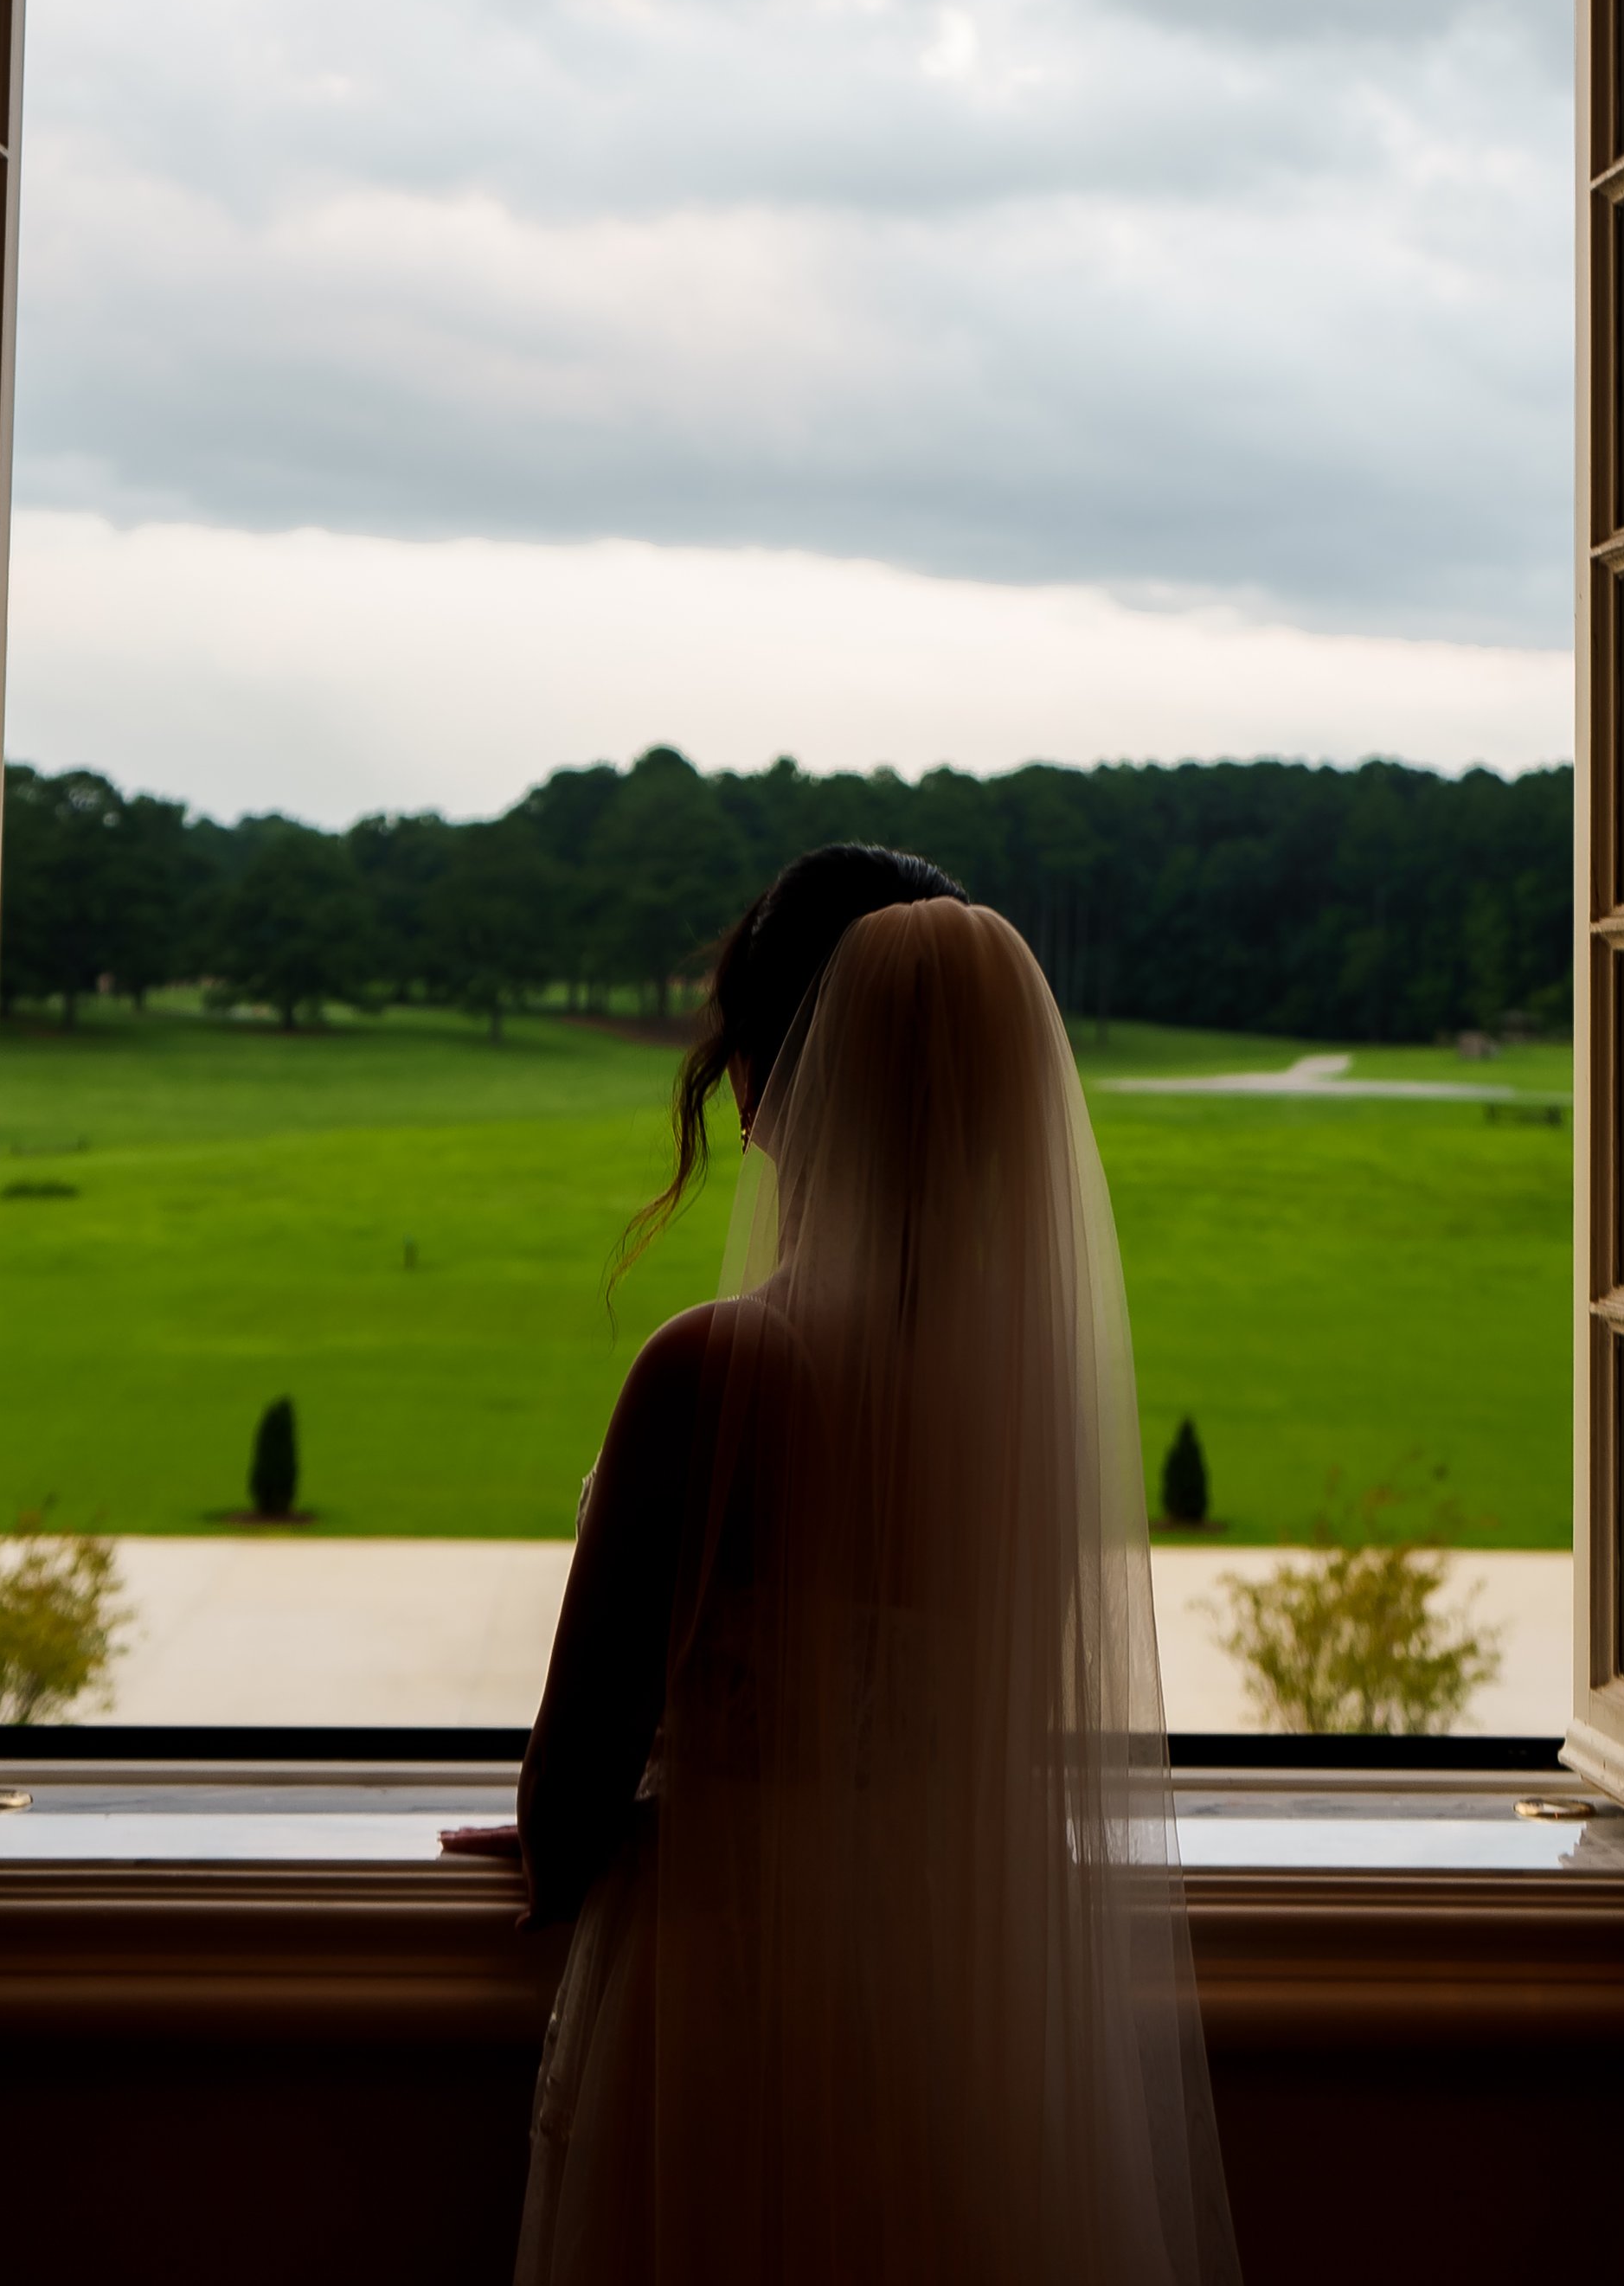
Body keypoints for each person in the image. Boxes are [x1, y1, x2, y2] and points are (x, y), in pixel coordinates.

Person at [451, 845, 1241, 2286]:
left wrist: (581, 1826)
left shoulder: (716, 1370)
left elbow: (569, 1797)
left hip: (724, 2015)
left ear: (759, 1086)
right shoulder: (1033, 1403)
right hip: (967, 2016)